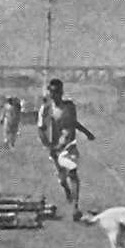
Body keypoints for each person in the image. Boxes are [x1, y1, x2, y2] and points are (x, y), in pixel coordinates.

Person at [38, 79, 95, 221]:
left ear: (61, 92)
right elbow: (41, 129)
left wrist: (86, 132)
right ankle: (67, 190)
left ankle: (75, 207)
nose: (55, 95)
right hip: (56, 148)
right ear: (49, 93)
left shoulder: (69, 106)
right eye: (52, 92)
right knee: (62, 178)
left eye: (58, 92)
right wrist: (48, 146)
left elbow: (73, 122)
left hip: (70, 146)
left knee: (73, 171)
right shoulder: (46, 109)